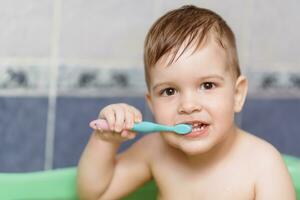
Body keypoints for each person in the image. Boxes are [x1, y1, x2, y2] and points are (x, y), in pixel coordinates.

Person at [77, 5, 296, 200]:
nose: (188, 105)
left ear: (237, 94)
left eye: (208, 85)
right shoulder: (155, 150)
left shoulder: (263, 164)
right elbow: (95, 194)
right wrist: (105, 141)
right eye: (169, 91)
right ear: (152, 104)